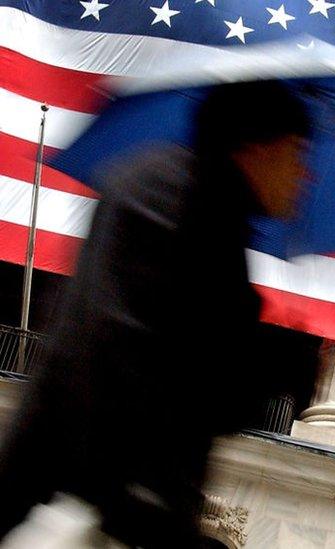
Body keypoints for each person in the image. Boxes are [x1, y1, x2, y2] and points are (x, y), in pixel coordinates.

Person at [0, 81, 312, 547]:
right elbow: (138, 357)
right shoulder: (178, 200)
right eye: (297, 153)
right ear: (258, 147)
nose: (305, 175)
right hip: (94, 502)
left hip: (108, 497)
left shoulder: (205, 209)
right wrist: (278, 363)